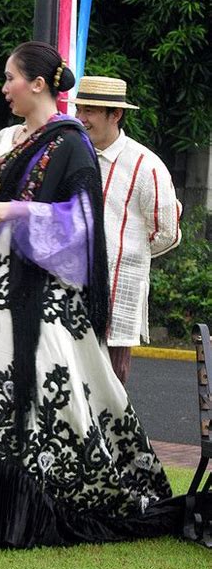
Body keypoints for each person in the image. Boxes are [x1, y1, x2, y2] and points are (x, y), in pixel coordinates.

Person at [0, 42, 178, 550]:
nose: (4, 87)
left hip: (45, 294)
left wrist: (16, 213)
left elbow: (82, 226)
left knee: (49, 398)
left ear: (37, 84)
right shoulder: (11, 141)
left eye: (10, 77)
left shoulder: (71, 142)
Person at [73, 76, 181, 384]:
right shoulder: (74, 154)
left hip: (117, 297)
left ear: (115, 114)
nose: (82, 117)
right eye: (80, 108)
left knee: (110, 390)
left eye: (91, 110)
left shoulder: (146, 165)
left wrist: (123, 251)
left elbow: (167, 232)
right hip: (68, 292)